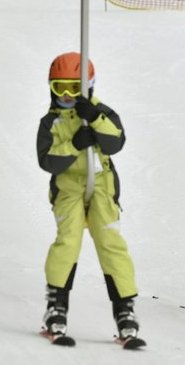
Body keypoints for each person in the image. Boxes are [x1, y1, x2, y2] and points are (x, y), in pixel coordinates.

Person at [37, 52, 141, 345]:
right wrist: (73, 145)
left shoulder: (100, 112)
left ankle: (125, 310)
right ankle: (56, 307)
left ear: (88, 87)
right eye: (60, 89)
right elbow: (47, 161)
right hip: (68, 187)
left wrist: (94, 119)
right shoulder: (50, 122)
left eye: (74, 89)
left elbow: (115, 142)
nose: (68, 96)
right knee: (67, 240)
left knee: (110, 242)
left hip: (102, 184)